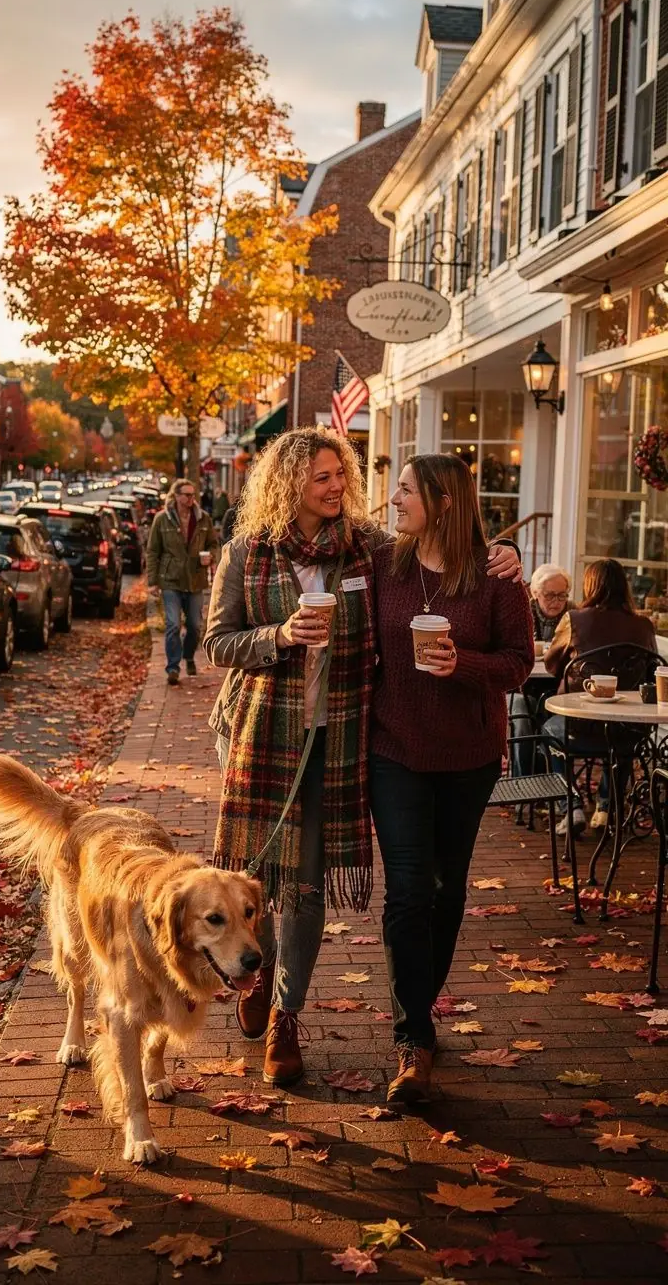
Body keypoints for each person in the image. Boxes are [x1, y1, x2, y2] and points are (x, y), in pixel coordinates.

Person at [204, 429, 522, 1090]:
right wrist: (279, 634)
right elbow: (218, 644)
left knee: (309, 888)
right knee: (255, 882)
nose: (336, 487)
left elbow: (444, 553)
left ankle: (286, 1021)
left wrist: (508, 555)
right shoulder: (246, 552)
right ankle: (253, 973)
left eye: (338, 474)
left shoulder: (367, 551)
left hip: (343, 742)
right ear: (288, 481)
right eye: (321, 477)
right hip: (262, 742)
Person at [370, 454, 533, 1104]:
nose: (394, 499)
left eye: (406, 490)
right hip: (394, 750)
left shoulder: (496, 578)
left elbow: (520, 664)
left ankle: (420, 1010)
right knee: (409, 890)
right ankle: (413, 1038)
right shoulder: (384, 562)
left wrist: (460, 664)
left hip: (466, 757)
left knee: (445, 891)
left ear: (442, 502)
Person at [542, 559, 657, 834]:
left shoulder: (575, 620)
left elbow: (552, 664)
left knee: (548, 731)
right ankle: (606, 806)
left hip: (580, 726)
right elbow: (653, 671)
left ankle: (570, 806)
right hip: (628, 728)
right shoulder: (644, 625)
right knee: (621, 737)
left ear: (590, 585)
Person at [146, 479, 219, 684]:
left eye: (193, 495)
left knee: (195, 626)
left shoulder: (203, 519)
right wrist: (152, 581)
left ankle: (188, 656)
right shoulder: (162, 519)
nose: (191, 499)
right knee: (172, 624)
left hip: (195, 579)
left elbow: (214, 544)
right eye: (186, 495)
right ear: (176, 496)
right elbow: (152, 551)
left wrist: (211, 556)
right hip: (170, 580)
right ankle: (173, 667)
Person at [508, 564, 572, 776]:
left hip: (557, 687)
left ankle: (555, 779)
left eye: (561, 595)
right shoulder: (520, 611)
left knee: (554, 715)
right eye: (549, 595)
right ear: (535, 593)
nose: (556, 602)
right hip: (521, 687)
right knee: (521, 715)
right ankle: (523, 781)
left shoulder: (573, 615)